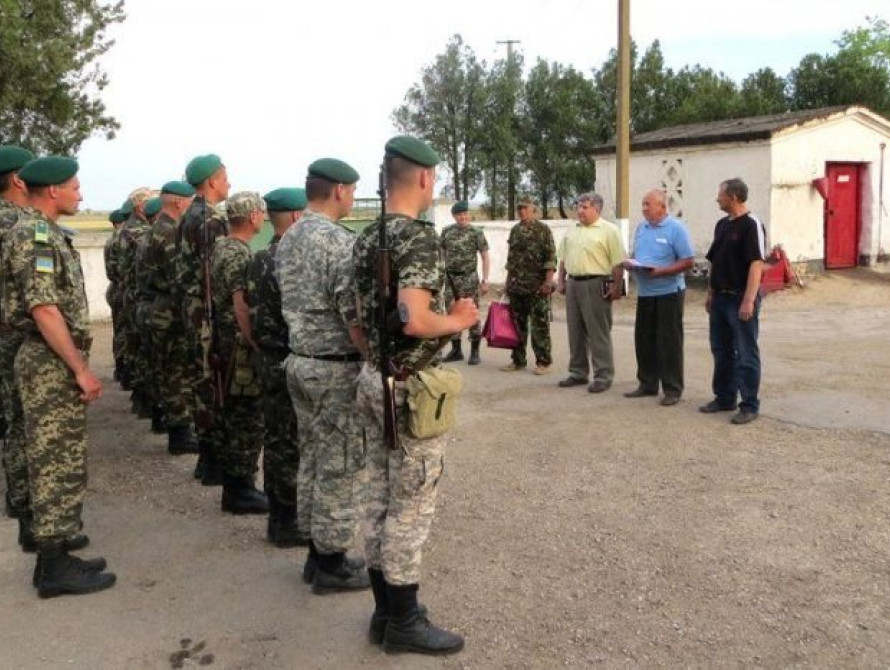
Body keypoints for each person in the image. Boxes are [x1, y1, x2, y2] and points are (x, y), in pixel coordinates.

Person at [353, 135, 478, 655]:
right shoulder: (419, 239)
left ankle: (386, 612)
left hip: (374, 380)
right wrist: (460, 319)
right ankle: (404, 622)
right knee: (411, 505)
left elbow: (353, 317)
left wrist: (373, 359)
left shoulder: (365, 238)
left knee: (380, 498)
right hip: (410, 388)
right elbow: (414, 318)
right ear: (425, 178)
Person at [1, 156, 115, 597]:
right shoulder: (33, 233)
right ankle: (52, 567)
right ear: (52, 191)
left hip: (50, 359)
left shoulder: (40, 230)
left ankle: (60, 549)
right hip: (48, 361)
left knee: (62, 457)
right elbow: (44, 309)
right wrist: (80, 369)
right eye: (75, 187)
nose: (80, 195)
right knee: (53, 461)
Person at [277, 160, 368, 593]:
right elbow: (354, 319)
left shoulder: (290, 236)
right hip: (334, 366)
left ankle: (317, 554)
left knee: (312, 459)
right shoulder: (338, 243)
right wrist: (376, 360)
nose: (352, 197)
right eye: (351, 190)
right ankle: (331, 564)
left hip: (300, 361)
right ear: (338, 190)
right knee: (340, 463)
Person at [247, 187, 306, 547]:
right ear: (298, 217)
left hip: (267, 356)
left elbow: (247, 310)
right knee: (290, 442)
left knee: (276, 438)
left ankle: (279, 517)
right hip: (289, 357)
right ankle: (287, 522)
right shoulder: (292, 259)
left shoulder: (260, 258)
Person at [209, 191, 269, 514]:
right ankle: (240, 490)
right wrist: (253, 342)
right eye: (260, 212)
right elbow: (240, 304)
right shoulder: (237, 253)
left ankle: (239, 486)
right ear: (253, 217)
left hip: (225, 341)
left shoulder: (223, 246)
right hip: (237, 346)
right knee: (246, 417)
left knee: (235, 416)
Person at [175, 154, 230, 484]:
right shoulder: (208, 220)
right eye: (225, 177)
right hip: (205, 313)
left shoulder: (189, 214)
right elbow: (214, 274)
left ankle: (208, 459)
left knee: (200, 381)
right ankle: (212, 461)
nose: (229, 183)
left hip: (191, 309)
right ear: (211, 181)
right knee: (211, 382)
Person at [140, 181, 198, 453]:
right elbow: (179, 278)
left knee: (167, 369)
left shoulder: (154, 229)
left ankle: (178, 428)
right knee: (176, 371)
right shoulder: (171, 232)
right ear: (179, 202)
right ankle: (180, 434)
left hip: (158, 307)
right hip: (170, 310)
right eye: (190, 202)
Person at [700, 178, 764, 425]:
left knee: (746, 352)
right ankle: (724, 397)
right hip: (720, 298)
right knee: (721, 350)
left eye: (720, 194)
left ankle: (749, 404)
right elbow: (715, 262)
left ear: (734, 197)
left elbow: (756, 264)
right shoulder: (721, 225)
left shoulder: (751, 225)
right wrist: (710, 293)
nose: (717, 198)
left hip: (740, 298)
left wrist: (748, 300)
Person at [622, 190, 694, 405]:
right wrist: (631, 263)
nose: (644, 208)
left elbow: (688, 261)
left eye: (648, 204)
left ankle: (672, 389)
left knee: (669, 342)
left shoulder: (676, 229)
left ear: (663, 207)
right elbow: (639, 256)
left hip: (669, 293)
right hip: (645, 294)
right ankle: (647, 384)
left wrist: (661, 272)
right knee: (644, 340)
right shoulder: (641, 228)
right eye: (643, 204)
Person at [556, 192, 625, 393]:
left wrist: (616, 287)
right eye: (578, 206)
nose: (579, 210)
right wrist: (561, 281)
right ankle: (578, 372)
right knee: (575, 331)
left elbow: (618, 263)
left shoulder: (609, 231)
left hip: (596, 283)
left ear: (597, 209)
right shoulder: (572, 230)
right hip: (573, 284)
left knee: (598, 332)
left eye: (584, 207)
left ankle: (603, 375)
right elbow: (562, 259)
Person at [0, 145, 36, 522]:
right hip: (13, 330)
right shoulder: (16, 222)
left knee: (13, 413)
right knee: (22, 416)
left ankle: (21, 496)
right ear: (18, 179)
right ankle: (24, 499)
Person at [502, 197, 556, 375]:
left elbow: (550, 259)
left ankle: (544, 362)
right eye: (519, 209)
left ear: (533, 209)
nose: (522, 212)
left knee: (539, 326)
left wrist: (548, 282)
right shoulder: (515, 231)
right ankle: (518, 360)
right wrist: (507, 283)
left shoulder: (543, 230)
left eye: (525, 208)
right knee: (517, 325)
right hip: (517, 287)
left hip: (537, 287)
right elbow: (511, 260)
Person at [440, 201, 490, 365]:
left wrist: (485, 280)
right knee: (452, 312)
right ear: (454, 216)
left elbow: (484, 256)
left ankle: (475, 351)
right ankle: (456, 350)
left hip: (469, 278)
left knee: (472, 313)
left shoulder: (476, 232)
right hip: (451, 279)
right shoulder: (446, 232)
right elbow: (441, 255)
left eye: (465, 214)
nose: (463, 217)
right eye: (459, 215)